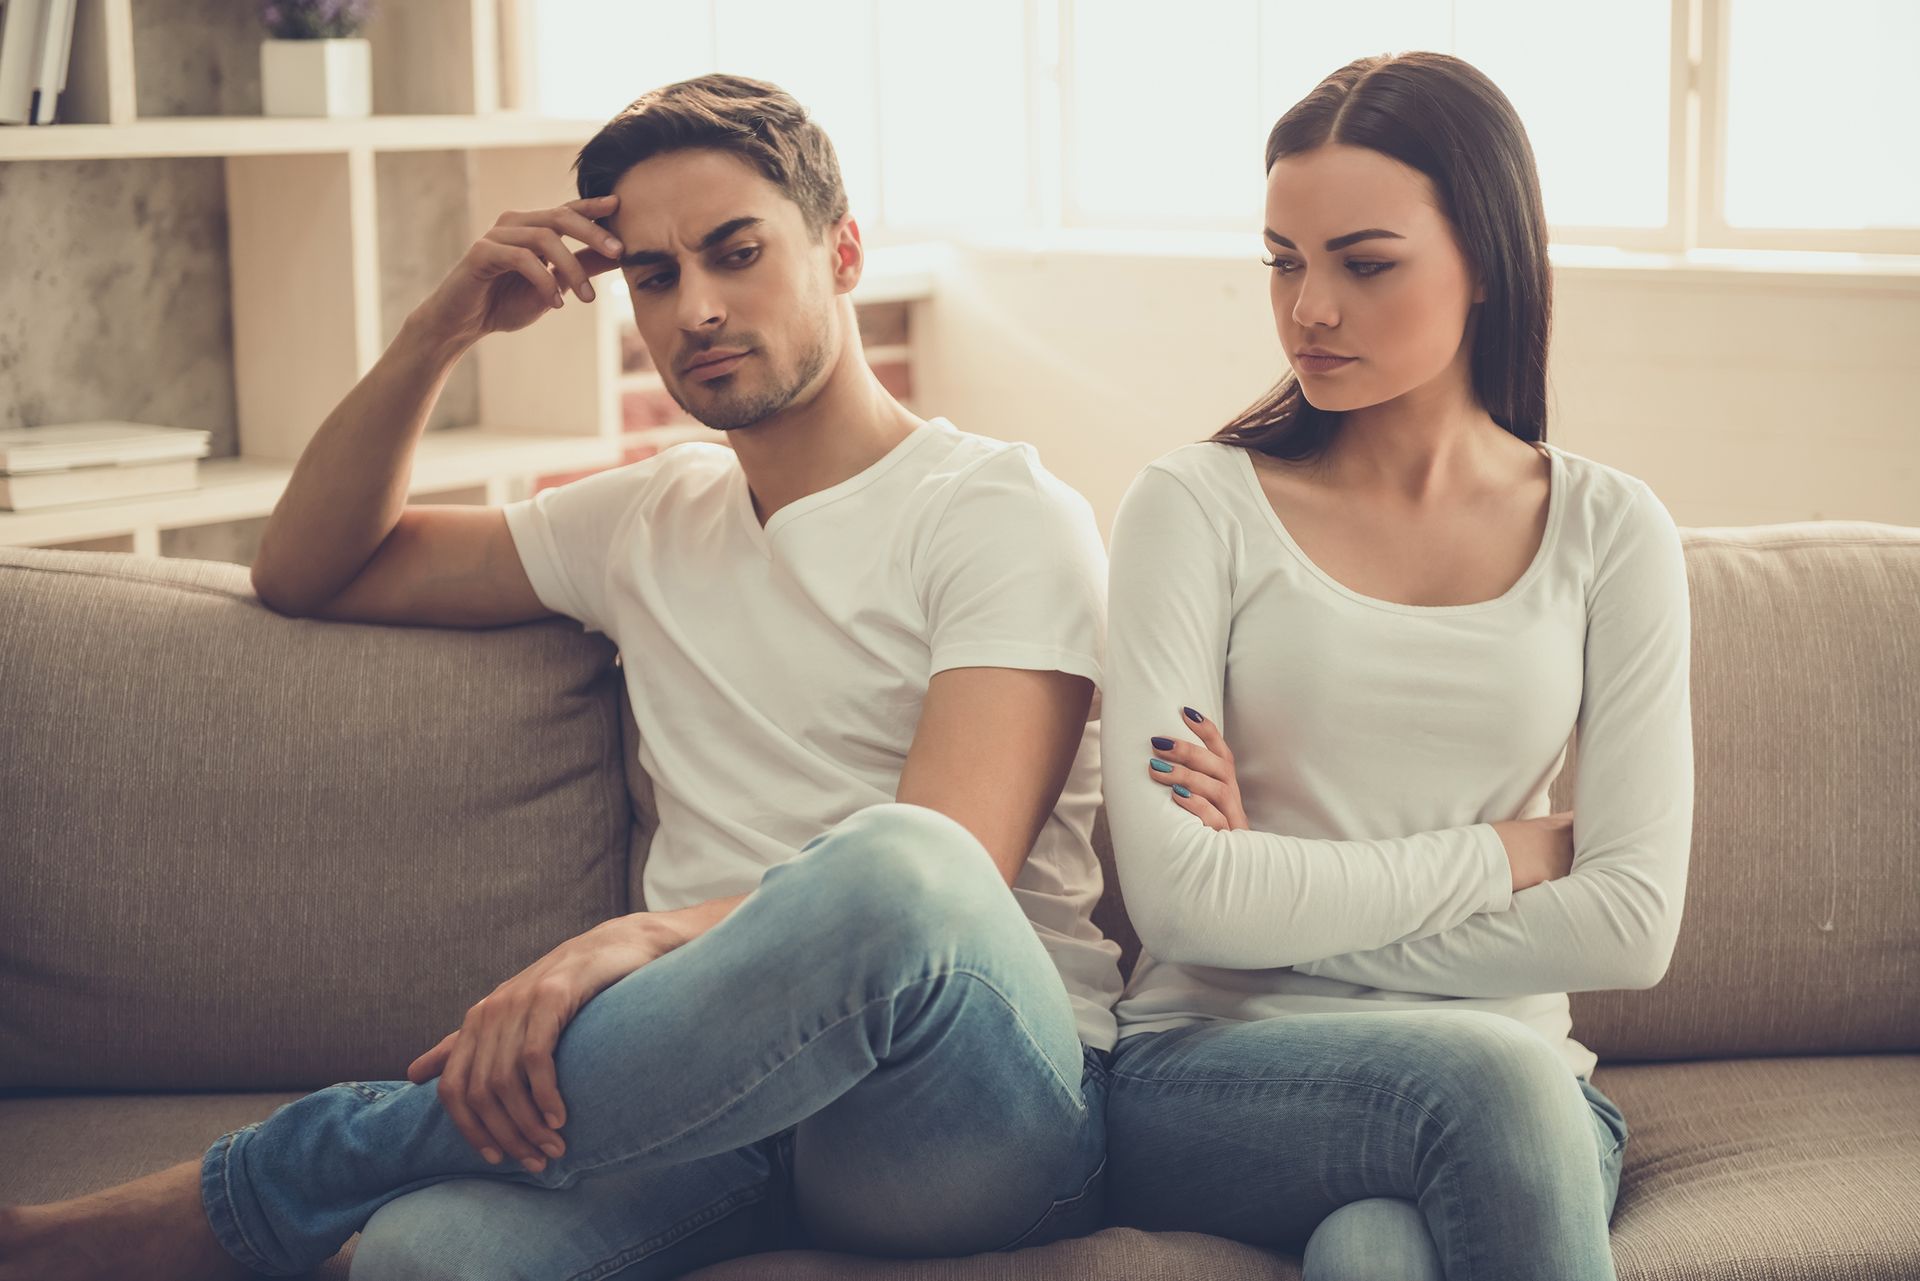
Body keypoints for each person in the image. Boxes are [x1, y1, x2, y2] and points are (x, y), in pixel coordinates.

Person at [0, 74, 1120, 1281]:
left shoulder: (1004, 514)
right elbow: (309, 568)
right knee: (421, 1262)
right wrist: (446, 326)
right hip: (708, 1112)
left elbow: (950, 867)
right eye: (653, 275)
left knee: (899, 866)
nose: (696, 307)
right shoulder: (650, 517)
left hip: (962, 1099)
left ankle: (260, 1186)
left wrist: (635, 942)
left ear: (842, 251)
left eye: (737, 254)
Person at [1098, 52, 1693, 1280]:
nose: (1308, 308)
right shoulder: (1192, 506)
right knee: (1485, 1080)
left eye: (1364, 264)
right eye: (1283, 260)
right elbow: (1180, 910)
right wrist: (1502, 858)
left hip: (1515, 1091)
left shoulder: (1611, 530)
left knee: (1377, 1253)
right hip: (1213, 1070)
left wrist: (1274, 905)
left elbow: (1630, 927)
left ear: (1486, 261)